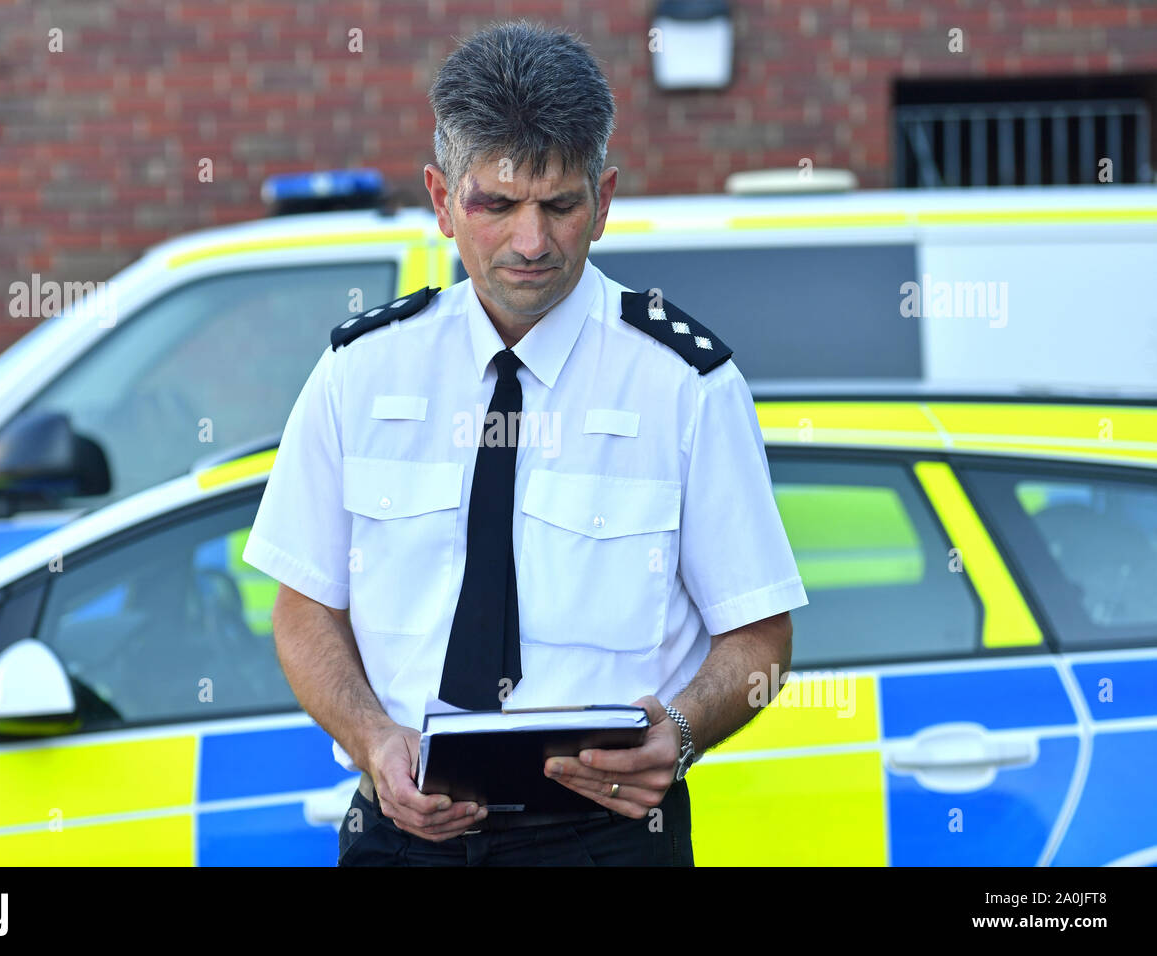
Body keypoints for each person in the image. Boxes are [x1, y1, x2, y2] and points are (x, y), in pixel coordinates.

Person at [242, 20, 808, 866]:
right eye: (497, 205)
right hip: (401, 835)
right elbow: (305, 607)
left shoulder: (685, 385)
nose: (531, 242)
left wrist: (683, 732)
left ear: (605, 202)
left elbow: (759, 633)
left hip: (604, 838)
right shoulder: (359, 373)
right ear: (441, 201)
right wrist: (371, 741)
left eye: (560, 205)